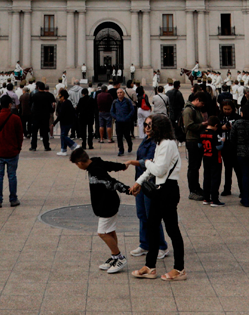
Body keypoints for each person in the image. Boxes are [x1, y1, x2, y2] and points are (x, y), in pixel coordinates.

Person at [128, 113, 186, 282]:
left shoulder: (167, 144)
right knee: (152, 226)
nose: (147, 128)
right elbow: (153, 168)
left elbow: (159, 169)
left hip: (168, 190)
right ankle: (150, 266)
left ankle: (179, 269)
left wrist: (146, 162)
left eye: (150, 126)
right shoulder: (160, 143)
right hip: (160, 190)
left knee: (172, 229)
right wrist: (139, 182)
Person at [70, 147, 130, 275]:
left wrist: (127, 190)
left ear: (80, 162)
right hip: (109, 202)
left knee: (102, 233)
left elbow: (112, 182)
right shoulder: (95, 162)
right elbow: (109, 165)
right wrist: (122, 166)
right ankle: (114, 257)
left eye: (76, 164)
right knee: (110, 230)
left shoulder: (95, 169)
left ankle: (119, 258)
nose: (77, 166)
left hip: (107, 204)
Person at [129, 115, 169, 259]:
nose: (147, 128)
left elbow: (149, 162)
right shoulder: (146, 140)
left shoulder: (158, 143)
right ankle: (145, 244)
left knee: (152, 215)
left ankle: (161, 246)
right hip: (141, 181)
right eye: (146, 125)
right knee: (142, 214)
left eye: (150, 125)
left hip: (151, 183)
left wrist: (132, 162)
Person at [0, 94, 23, 208]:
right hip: (12, 151)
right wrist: (18, 148)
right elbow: (20, 136)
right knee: (12, 175)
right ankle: (13, 199)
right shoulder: (16, 119)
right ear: (9, 105)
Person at [228, 106, 249, 206]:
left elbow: (232, 138)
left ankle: (245, 199)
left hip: (242, 152)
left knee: (245, 175)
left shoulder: (237, 123)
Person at [181, 91, 206, 201]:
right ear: (197, 100)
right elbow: (189, 125)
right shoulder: (188, 110)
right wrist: (202, 125)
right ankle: (193, 190)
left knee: (196, 166)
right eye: (202, 103)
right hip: (192, 140)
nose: (203, 106)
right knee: (193, 166)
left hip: (197, 140)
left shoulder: (196, 110)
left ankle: (197, 187)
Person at [198, 112, 225, 207]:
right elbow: (218, 147)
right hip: (215, 158)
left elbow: (199, 145)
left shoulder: (202, 133)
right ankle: (214, 199)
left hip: (206, 157)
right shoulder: (215, 134)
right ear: (216, 125)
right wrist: (222, 141)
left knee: (207, 177)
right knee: (215, 179)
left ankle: (206, 198)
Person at [29, 81, 54, 152]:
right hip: (45, 116)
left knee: (34, 132)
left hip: (36, 116)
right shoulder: (47, 96)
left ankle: (33, 146)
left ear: (38, 88)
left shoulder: (35, 95)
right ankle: (46, 146)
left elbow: (31, 104)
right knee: (45, 132)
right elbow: (50, 106)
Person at [112, 87, 135, 156]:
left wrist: (128, 117)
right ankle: (121, 150)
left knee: (127, 135)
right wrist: (116, 117)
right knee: (119, 136)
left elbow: (132, 110)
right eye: (118, 93)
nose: (119, 94)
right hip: (118, 122)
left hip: (126, 122)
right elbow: (112, 111)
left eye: (121, 92)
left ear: (124, 93)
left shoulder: (127, 101)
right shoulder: (115, 102)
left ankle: (130, 145)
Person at [55, 89, 78, 156]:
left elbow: (61, 114)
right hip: (66, 122)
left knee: (63, 136)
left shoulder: (65, 104)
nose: (59, 98)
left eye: (60, 97)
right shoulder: (67, 102)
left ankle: (74, 145)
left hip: (66, 122)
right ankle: (63, 149)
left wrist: (54, 123)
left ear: (63, 97)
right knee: (63, 135)